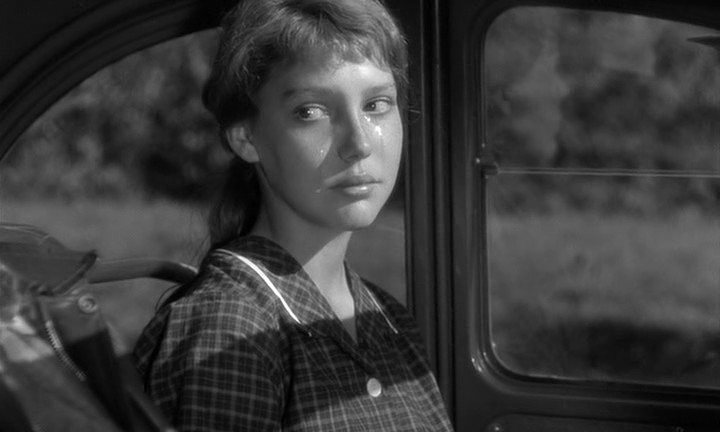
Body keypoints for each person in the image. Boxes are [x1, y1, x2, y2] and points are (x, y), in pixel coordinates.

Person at [133, 0, 454, 430]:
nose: (359, 144)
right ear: (246, 138)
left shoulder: (388, 317)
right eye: (311, 112)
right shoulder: (231, 326)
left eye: (376, 104)